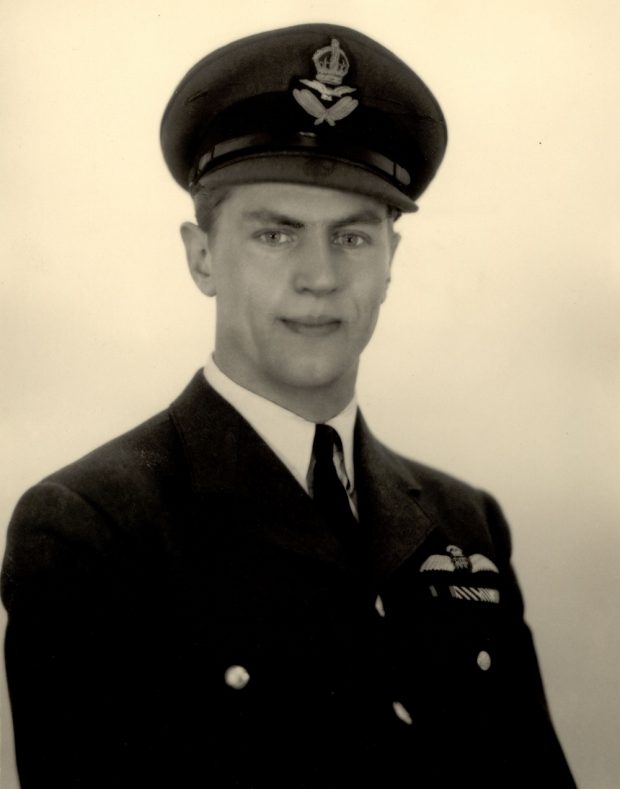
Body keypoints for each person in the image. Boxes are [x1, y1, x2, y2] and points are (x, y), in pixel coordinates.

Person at [1, 23, 576, 788]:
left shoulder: (464, 523)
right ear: (201, 256)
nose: (320, 276)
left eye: (353, 237)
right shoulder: (93, 526)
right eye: (276, 233)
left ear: (391, 261)